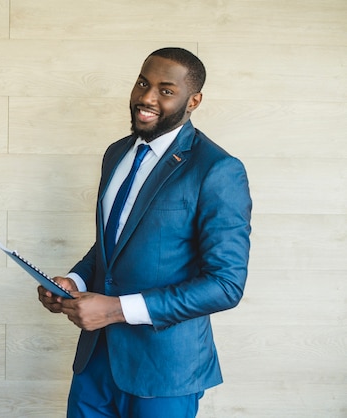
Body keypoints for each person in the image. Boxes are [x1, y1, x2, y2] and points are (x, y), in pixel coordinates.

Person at [38, 47, 252, 418]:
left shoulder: (218, 170)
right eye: (142, 83)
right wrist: (72, 281)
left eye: (166, 90)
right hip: (95, 361)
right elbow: (113, 244)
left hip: (165, 371)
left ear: (193, 100)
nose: (146, 98)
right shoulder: (116, 153)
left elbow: (225, 284)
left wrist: (116, 310)